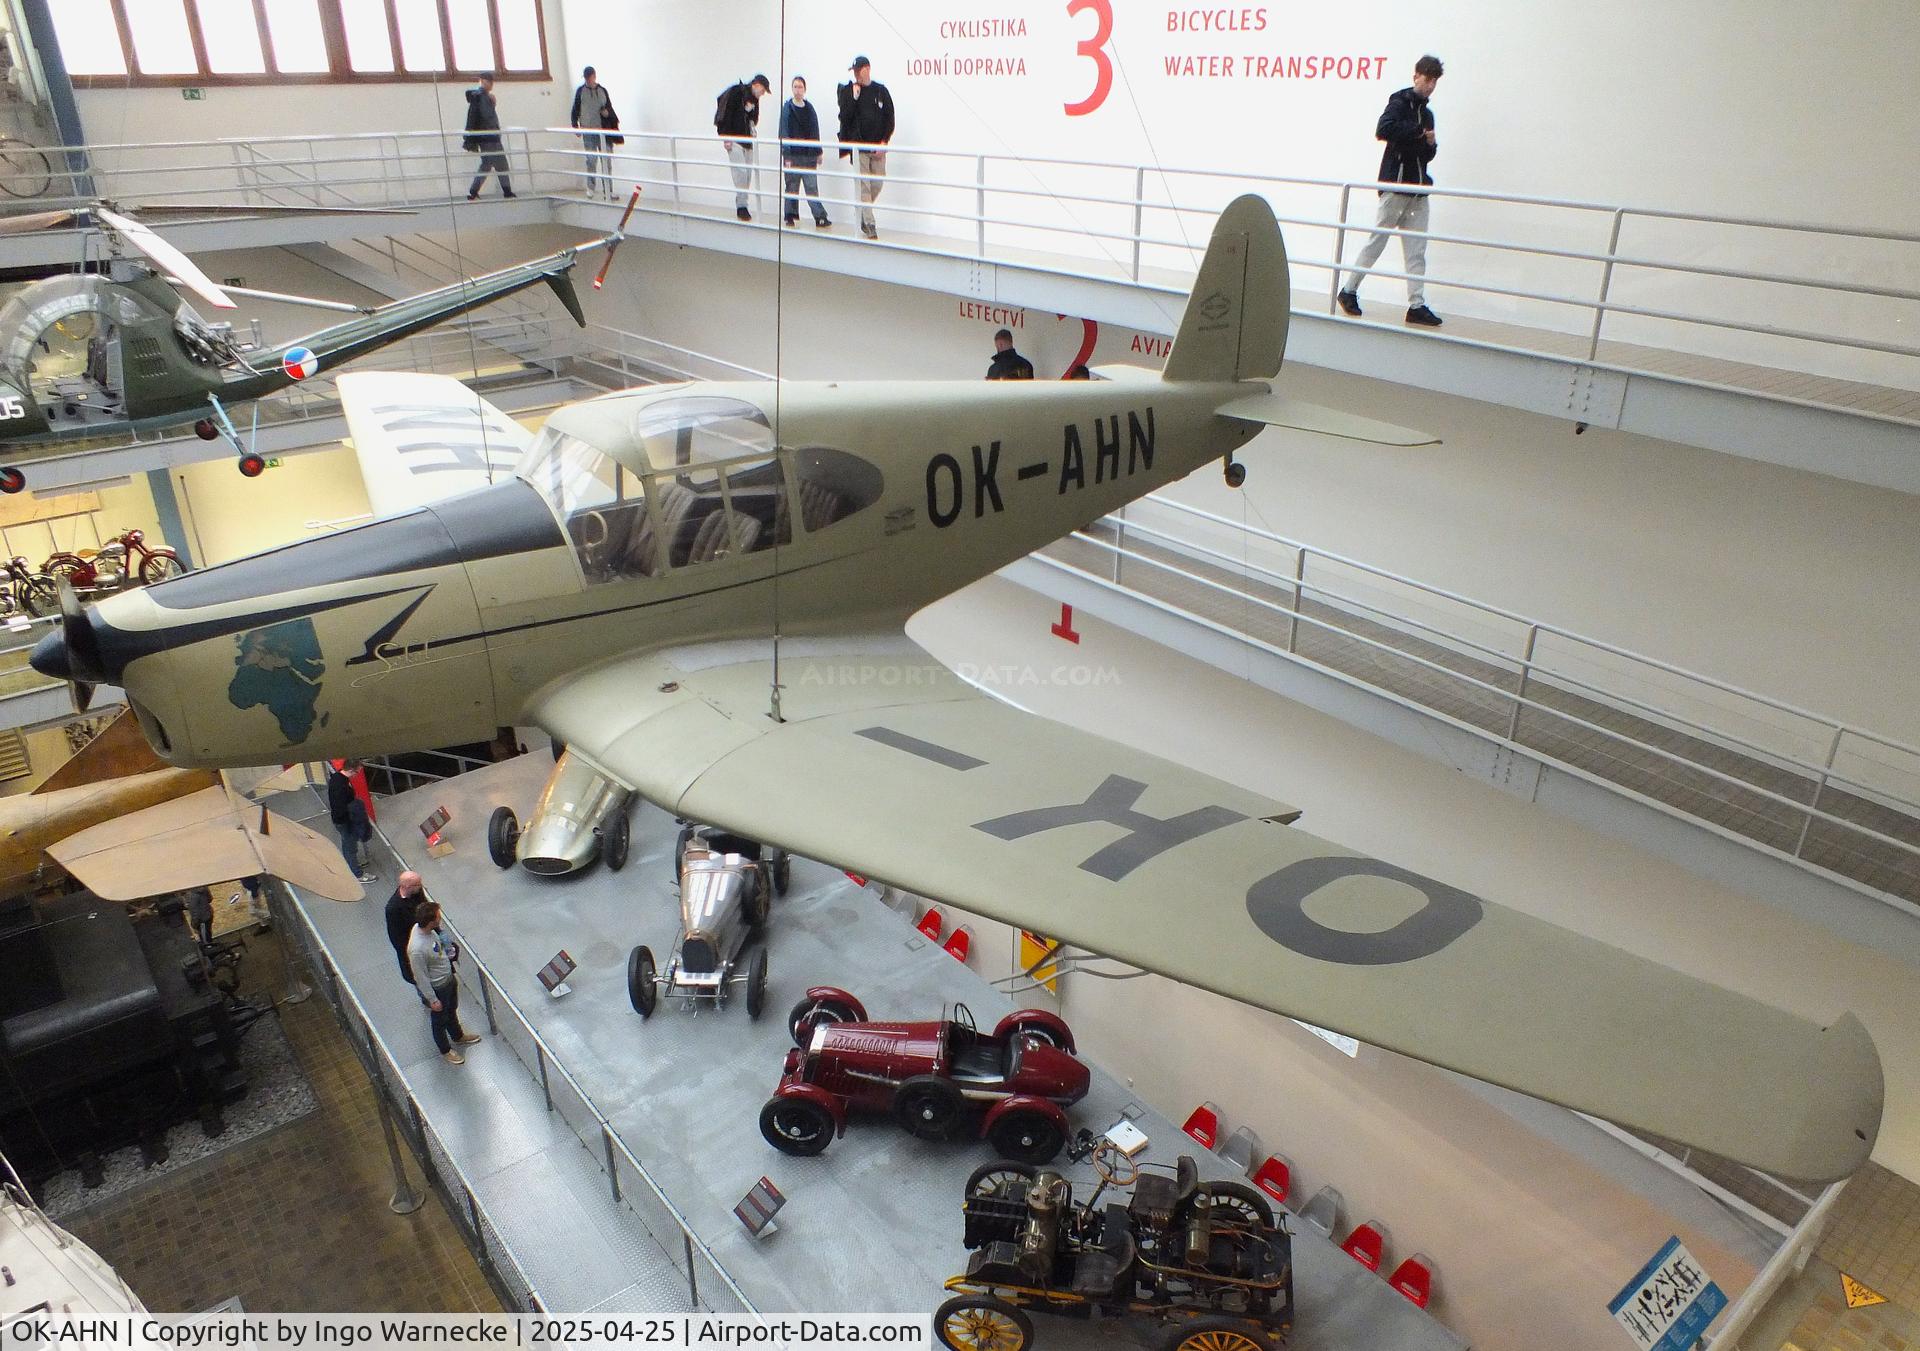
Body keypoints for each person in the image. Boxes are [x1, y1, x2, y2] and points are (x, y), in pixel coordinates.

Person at [1339, 55, 1443, 326]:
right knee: (1378, 240)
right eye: (1427, 78)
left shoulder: (1428, 113)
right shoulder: (1399, 102)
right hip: (1396, 187)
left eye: (1434, 81)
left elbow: (1425, 156)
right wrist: (1420, 134)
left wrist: (1430, 144)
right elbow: (1383, 129)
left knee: (1416, 249)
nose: (1430, 85)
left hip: (1417, 190)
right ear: (1416, 76)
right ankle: (1349, 289)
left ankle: (1416, 304)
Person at [409, 900, 480, 1064]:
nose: (440, 919)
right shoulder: (417, 949)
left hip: (448, 979)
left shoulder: (430, 932)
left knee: (452, 1009)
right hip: (438, 987)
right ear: (431, 921)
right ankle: (445, 1050)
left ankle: (458, 1035)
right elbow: (420, 976)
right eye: (438, 917)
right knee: (439, 1020)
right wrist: (432, 999)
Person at [836, 56, 895, 239]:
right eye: (853, 71)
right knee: (864, 187)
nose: (856, 74)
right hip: (859, 147)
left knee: (877, 183)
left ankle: (862, 213)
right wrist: (854, 98)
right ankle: (869, 224)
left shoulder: (880, 91)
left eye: (858, 70)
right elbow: (844, 117)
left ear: (867, 69)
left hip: (877, 147)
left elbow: (889, 117)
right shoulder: (849, 91)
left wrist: (884, 142)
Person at [715, 74, 770, 221]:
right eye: (763, 90)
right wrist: (725, 136)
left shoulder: (754, 100)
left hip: (747, 140)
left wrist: (750, 111)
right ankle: (742, 206)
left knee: (747, 174)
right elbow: (725, 113)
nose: (762, 94)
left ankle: (743, 204)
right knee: (740, 173)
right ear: (756, 85)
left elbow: (754, 120)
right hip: (734, 139)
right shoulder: (736, 92)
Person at [779, 76, 831, 228]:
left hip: (808, 156)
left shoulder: (809, 109)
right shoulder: (787, 108)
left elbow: (815, 131)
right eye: (795, 87)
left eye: (800, 87)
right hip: (793, 156)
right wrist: (786, 154)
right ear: (792, 89)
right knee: (791, 187)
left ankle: (820, 217)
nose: (798, 90)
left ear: (805, 89)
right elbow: (784, 131)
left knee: (811, 187)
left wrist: (818, 152)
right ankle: (789, 215)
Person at [463, 73, 516, 201]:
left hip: (487, 138)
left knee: (488, 164)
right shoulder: (482, 97)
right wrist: (492, 104)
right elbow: (487, 117)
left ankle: (474, 191)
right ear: (481, 81)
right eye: (488, 81)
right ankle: (506, 191)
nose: (491, 84)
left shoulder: (480, 97)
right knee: (499, 164)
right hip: (490, 138)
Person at [570, 66, 620, 199]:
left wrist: (607, 113)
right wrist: (575, 126)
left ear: (594, 76)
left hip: (604, 131)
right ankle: (590, 188)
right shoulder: (580, 91)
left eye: (589, 77)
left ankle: (608, 190)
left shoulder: (602, 91)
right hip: (589, 131)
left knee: (606, 161)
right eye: (586, 77)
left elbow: (609, 107)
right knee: (591, 160)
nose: (588, 80)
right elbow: (575, 109)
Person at [326, 760, 374, 883]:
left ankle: (354, 866)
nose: (357, 774)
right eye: (357, 771)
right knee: (350, 847)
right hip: (345, 822)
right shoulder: (341, 785)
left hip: (342, 820)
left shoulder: (337, 778)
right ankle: (357, 874)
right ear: (351, 770)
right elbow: (340, 806)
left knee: (348, 845)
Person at [385, 871, 425, 985]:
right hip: (411, 947)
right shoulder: (393, 909)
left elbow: (425, 907)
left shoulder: (416, 892)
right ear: (408, 886)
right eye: (418, 884)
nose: (420, 886)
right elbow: (396, 939)